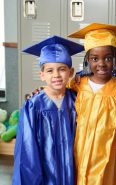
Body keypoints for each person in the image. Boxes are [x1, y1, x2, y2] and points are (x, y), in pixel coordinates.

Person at [12, 35, 84, 185]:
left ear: (71, 73)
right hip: (44, 174)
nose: (56, 75)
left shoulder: (77, 101)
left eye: (62, 69)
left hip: (72, 172)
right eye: (50, 71)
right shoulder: (33, 106)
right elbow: (27, 151)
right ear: (42, 75)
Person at [67, 23, 116, 185]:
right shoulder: (77, 84)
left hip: (104, 160)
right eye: (95, 58)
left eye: (108, 58)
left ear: (115, 59)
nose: (101, 64)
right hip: (77, 155)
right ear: (87, 59)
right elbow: (56, 96)